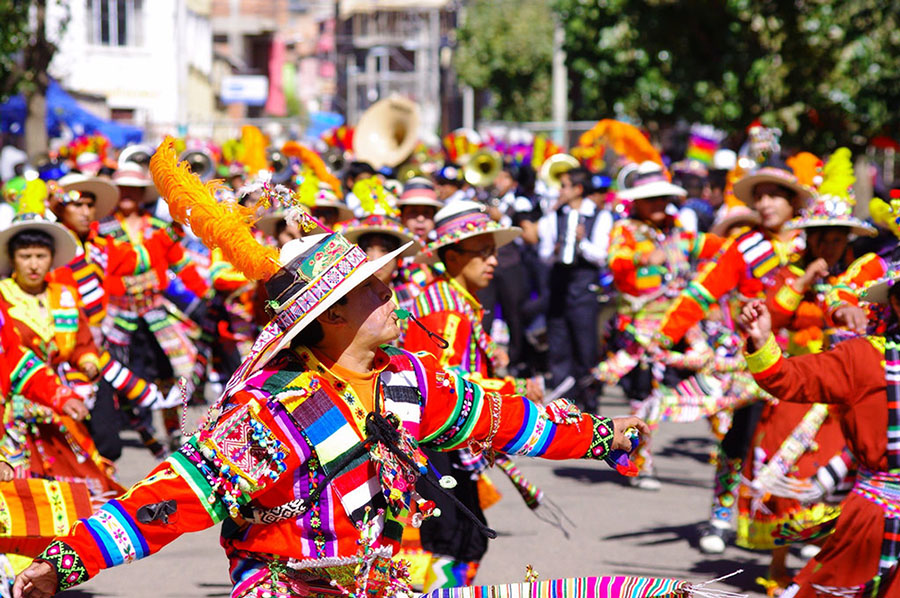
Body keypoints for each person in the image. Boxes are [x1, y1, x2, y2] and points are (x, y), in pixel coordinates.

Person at [13, 139, 648, 598]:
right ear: (333, 315)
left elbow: (507, 419)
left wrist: (604, 437)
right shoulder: (272, 411)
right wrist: (66, 563)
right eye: (373, 289)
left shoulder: (408, 379)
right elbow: (170, 499)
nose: (392, 293)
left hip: (373, 581)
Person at [653, 163, 821, 552]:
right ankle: (722, 515)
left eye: (773, 195)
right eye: (758, 196)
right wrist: (664, 334)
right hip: (751, 358)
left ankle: (791, 518)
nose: (764, 203)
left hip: (803, 357)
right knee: (739, 437)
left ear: (793, 201)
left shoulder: (812, 243)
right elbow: (702, 292)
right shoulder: (744, 246)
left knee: (799, 441)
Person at [738, 283, 900, 598]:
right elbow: (787, 377)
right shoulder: (865, 357)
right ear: (896, 302)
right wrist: (761, 341)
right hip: (878, 520)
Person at [598, 161, 725, 490]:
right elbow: (616, 263)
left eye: (662, 198)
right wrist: (642, 258)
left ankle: (727, 447)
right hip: (643, 329)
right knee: (645, 397)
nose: (658, 205)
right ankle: (640, 463)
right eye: (651, 199)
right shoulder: (625, 230)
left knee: (715, 376)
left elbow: (714, 247)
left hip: (684, 322)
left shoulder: (679, 232)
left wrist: (743, 240)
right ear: (637, 201)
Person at [47, 174, 171, 461]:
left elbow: (140, 259)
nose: (85, 211)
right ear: (60, 208)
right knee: (64, 447)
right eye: (77, 204)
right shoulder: (49, 249)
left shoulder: (102, 246)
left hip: (95, 350)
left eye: (90, 205)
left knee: (107, 447)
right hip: (57, 355)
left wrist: (177, 226)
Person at [537, 166, 612, 413]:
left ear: (578, 189)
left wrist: (582, 241)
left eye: (565, 185)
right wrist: (557, 249)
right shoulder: (553, 217)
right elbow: (544, 256)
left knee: (585, 348)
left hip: (584, 288)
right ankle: (562, 406)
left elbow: (601, 257)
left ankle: (589, 404)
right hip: (559, 287)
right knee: (558, 347)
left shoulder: (600, 216)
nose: (560, 191)